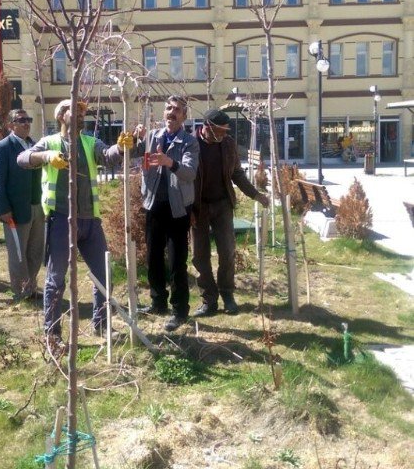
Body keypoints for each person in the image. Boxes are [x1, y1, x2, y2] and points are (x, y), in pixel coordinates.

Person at [17, 98, 133, 356]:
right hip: (60, 219)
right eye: (75, 110)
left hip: (90, 221)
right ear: (61, 115)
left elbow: (108, 156)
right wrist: (46, 156)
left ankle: (101, 325)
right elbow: (23, 158)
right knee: (56, 279)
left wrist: (121, 148)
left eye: (83, 111)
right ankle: (53, 334)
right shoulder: (50, 142)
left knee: (104, 274)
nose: (81, 114)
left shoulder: (90, 142)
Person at [192, 108, 269, 316]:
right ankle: (209, 300)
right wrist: (187, 208)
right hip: (198, 208)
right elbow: (183, 179)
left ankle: (227, 294)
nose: (225, 134)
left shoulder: (228, 144)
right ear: (207, 127)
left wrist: (256, 195)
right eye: (221, 131)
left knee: (227, 252)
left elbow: (237, 173)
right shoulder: (191, 144)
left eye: (227, 130)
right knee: (200, 256)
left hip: (222, 205)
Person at [135, 95, 199, 332]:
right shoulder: (153, 136)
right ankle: (157, 302)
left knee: (176, 261)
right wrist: (135, 138)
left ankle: (180, 310)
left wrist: (169, 161)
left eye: (177, 110)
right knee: (152, 257)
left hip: (178, 208)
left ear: (184, 116)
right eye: (168, 108)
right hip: (154, 205)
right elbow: (137, 155)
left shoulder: (189, 142)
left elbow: (190, 173)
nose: (171, 113)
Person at [0, 108, 44, 302]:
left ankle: (31, 287)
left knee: (36, 252)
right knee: (18, 254)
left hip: (37, 206)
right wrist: (3, 209)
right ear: (11, 125)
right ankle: (21, 292)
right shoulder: (2, 148)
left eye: (28, 119)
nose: (26, 123)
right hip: (15, 210)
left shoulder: (36, 146)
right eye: (21, 120)